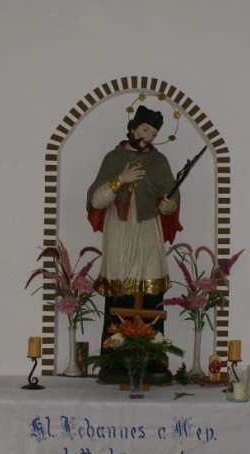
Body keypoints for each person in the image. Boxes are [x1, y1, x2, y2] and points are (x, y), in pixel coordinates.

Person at [86, 105, 182, 350]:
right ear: (132, 127)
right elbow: (96, 201)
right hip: (119, 232)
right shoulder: (113, 159)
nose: (148, 137)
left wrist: (170, 205)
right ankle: (114, 357)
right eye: (145, 130)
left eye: (153, 134)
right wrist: (120, 180)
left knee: (149, 294)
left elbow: (171, 194)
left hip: (149, 232)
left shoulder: (159, 161)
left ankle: (151, 357)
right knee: (119, 295)